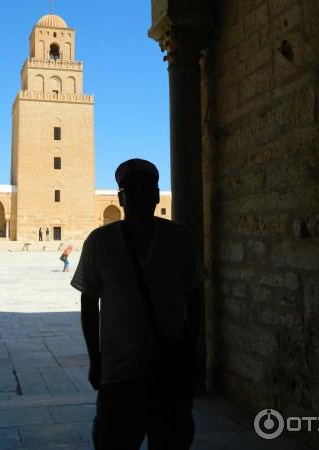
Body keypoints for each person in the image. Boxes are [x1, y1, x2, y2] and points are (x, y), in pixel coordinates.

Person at [71, 158, 207, 450]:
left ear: (157, 195)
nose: (139, 197)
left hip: (169, 366)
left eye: (146, 190)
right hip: (119, 370)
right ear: (120, 198)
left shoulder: (178, 238)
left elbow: (195, 298)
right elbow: (88, 303)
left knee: (171, 440)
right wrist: (95, 359)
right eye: (131, 190)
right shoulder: (100, 242)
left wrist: (191, 352)